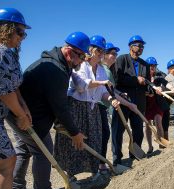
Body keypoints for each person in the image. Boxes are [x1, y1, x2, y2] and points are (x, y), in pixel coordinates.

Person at [5, 31, 90, 189]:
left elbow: (50, 98)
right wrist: (75, 133)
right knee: (44, 154)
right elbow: (60, 107)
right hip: (27, 118)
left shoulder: (54, 63)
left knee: (24, 149)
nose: (81, 62)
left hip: (19, 113)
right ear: (68, 52)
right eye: (80, 57)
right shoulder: (56, 70)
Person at [54, 35, 137, 179]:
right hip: (76, 107)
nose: (101, 54)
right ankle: (70, 176)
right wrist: (101, 83)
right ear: (90, 50)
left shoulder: (101, 70)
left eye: (102, 52)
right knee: (73, 142)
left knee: (94, 139)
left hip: (92, 109)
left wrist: (111, 99)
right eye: (98, 51)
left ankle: (95, 172)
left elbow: (103, 92)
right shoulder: (81, 64)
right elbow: (81, 86)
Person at [0, 8, 32, 189]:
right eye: (19, 32)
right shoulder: (0, 52)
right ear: (6, 29)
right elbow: (4, 92)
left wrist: (24, 108)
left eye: (24, 33)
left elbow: (14, 86)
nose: (22, 37)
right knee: (5, 163)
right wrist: (20, 115)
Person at [111, 35, 154, 165]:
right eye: (138, 45)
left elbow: (145, 82)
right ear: (131, 46)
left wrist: (150, 90)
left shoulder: (145, 64)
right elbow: (117, 79)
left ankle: (134, 155)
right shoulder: (122, 59)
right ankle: (117, 158)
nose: (141, 48)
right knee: (118, 130)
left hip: (139, 102)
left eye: (142, 46)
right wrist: (136, 80)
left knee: (138, 131)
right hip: (123, 100)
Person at [97, 42, 120, 174]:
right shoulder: (104, 70)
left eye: (116, 54)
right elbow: (108, 91)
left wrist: (119, 94)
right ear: (104, 55)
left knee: (104, 134)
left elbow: (112, 90)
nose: (115, 56)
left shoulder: (106, 71)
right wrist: (115, 97)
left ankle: (101, 164)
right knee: (103, 134)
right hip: (98, 105)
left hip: (103, 105)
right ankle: (100, 165)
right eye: (112, 53)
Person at [144, 57, 169, 153]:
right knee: (148, 125)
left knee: (158, 123)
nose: (153, 67)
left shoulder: (159, 76)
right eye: (151, 66)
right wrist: (147, 93)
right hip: (146, 104)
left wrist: (167, 88)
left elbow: (166, 84)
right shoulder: (143, 77)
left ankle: (161, 145)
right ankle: (150, 147)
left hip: (157, 103)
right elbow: (139, 90)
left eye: (154, 66)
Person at [163, 59, 174, 138]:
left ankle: (165, 143)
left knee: (165, 123)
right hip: (165, 103)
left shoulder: (173, 78)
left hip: (168, 103)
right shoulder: (170, 77)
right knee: (165, 123)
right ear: (169, 69)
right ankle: (164, 143)